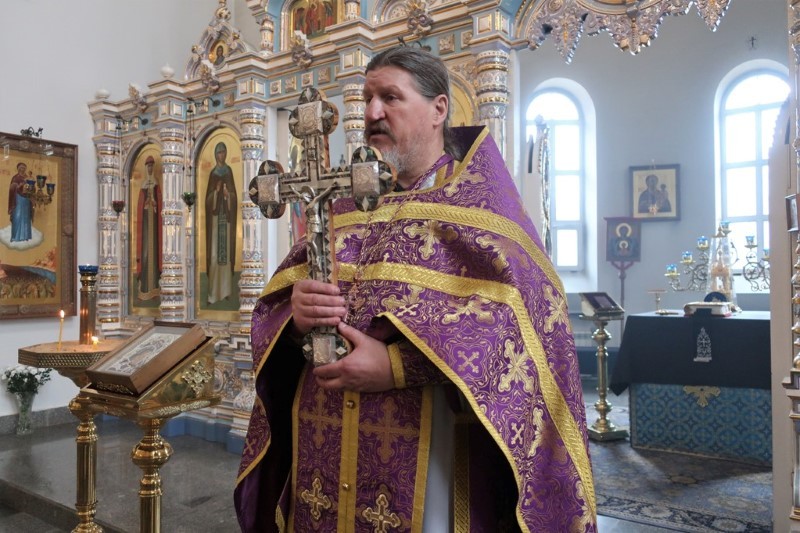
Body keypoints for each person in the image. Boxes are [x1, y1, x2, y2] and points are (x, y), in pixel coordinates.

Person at [235, 46, 596, 532]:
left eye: (390, 97)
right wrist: (296, 316)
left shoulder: (479, 207)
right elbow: (284, 307)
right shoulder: (343, 204)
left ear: (438, 108)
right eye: (367, 98)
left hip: (433, 459)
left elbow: (521, 329)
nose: (371, 113)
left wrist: (398, 367)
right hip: (321, 451)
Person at [205, 141, 237, 304]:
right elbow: (207, 200)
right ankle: (213, 294)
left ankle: (226, 292)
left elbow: (234, 196)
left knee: (225, 257)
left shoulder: (229, 171)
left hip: (227, 220)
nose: (221, 155)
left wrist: (227, 195)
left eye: (223, 152)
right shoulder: (213, 174)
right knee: (214, 255)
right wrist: (216, 193)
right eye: (219, 153)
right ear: (215, 155)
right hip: (215, 221)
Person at [135, 155, 162, 300]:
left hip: (155, 225)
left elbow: (160, 202)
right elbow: (140, 207)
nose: (150, 168)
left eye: (152, 165)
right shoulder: (143, 185)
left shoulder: (156, 184)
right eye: (148, 166)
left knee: (154, 253)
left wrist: (155, 204)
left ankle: (155, 290)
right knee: (145, 253)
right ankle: (144, 289)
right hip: (146, 225)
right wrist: (145, 205)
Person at [8, 162, 33, 242]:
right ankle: (15, 237)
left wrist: (31, 187)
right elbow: (12, 189)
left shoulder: (28, 178)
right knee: (17, 216)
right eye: (21, 168)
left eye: (24, 168)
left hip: (26, 200)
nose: (23, 169)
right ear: (18, 169)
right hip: (18, 199)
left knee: (26, 217)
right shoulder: (15, 178)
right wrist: (20, 185)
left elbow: (32, 188)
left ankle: (25, 236)